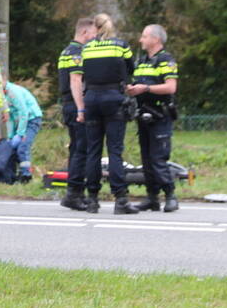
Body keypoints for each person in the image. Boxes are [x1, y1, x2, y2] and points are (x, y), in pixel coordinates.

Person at [75, 13, 138, 214]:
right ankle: (120, 199)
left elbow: (83, 72)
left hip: (92, 98)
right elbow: (131, 68)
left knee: (93, 150)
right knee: (114, 150)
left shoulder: (86, 48)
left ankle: (92, 199)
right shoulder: (120, 46)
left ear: (95, 27)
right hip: (113, 99)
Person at [126, 24, 180, 212]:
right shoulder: (142, 62)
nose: (141, 40)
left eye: (144, 36)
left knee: (158, 158)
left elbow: (171, 87)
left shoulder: (166, 60)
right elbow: (137, 84)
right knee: (147, 159)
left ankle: (170, 195)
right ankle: (152, 197)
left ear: (155, 39)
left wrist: (146, 89)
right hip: (143, 115)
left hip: (159, 115)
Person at [58, 17, 97, 211]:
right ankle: (74, 193)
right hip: (75, 105)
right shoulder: (77, 52)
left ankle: (74, 191)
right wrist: (81, 108)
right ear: (84, 33)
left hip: (68, 104)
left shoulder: (66, 50)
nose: (94, 38)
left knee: (76, 149)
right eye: (93, 35)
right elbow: (76, 81)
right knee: (81, 149)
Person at [3, 80, 42, 180]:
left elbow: (24, 112)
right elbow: (10, 117)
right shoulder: (3, 94)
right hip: (22, 122)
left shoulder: (12, 91)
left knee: (22, 148)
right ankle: (17, 174)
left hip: (31, 119)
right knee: (13, 149)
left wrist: (20, 134)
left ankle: (26, 176)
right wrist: (11, 136)